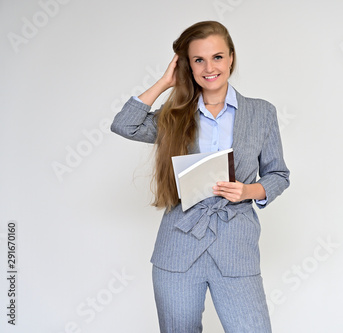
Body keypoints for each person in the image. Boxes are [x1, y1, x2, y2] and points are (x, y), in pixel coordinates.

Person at [111, 21, 289, 332]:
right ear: (187, 65)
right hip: (178, 246)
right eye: (198, 60)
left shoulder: (262, 113)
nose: (209, 67)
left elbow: (278, 174)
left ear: (231, 57)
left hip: (237, 247)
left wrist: (248, 191)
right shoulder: (174, 114)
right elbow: (125, 125)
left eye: (217, 57)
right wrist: (165, 83)